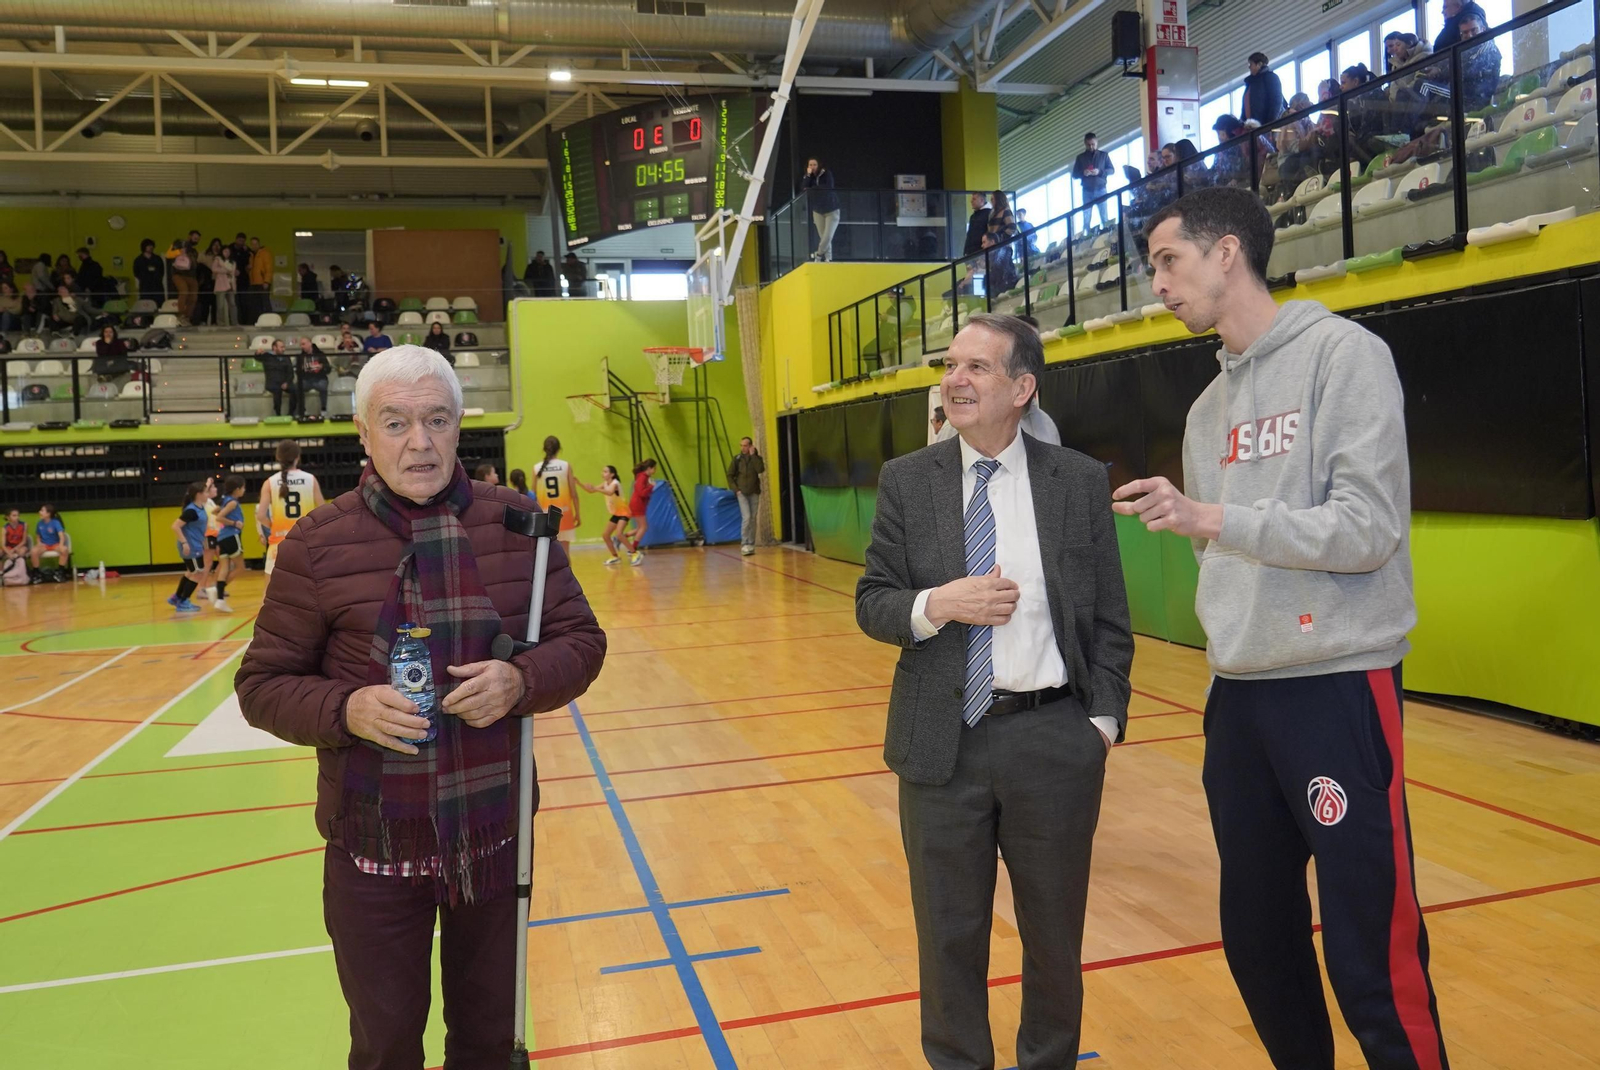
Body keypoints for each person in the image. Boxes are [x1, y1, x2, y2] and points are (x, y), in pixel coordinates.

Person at [1118, 186, 1448, 1070]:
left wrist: (1215, 517)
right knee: (1258, 940)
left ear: (1227, 252)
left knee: (1369, 948)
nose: (1158, 284)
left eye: (1168, 261)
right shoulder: (1204, 412)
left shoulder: (1345, 356)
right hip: (1239, 699)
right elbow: (1216, 559)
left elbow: (1367, 529)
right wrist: (1218, 543)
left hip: (1337, 685)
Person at [235, 344, 607, 1070]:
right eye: (396, 422)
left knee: (487, 1041)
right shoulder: (317, 544)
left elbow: (581, 641)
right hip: (373, 844)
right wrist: (347, 709)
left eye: (437, 420)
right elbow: (263, 685)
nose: (420, 442)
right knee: (385, 1048)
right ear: (363, 432)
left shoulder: (517, 524)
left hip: (494, 839)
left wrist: (519, 681)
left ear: (459, 425)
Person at [855, 311, 1133, 1070]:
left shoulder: (1077, 480)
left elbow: (1111, 618)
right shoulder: (908, 480)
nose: (955, 380)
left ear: (1021, 388)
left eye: (976, 367)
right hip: (939, 747)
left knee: (1054, 937)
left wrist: (1101, 724)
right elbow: (873, 602)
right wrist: (937, 604)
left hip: (1054, 741)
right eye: (950, 366)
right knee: (948, 937)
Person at [258, 438, 325, 575]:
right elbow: (323, 511)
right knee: (306, 586)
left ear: (278, 458)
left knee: (271, 588)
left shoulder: (270, 482)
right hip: (306, 543)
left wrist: (273, 526)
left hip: (279, 543)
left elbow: (260, 516)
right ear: (298, 457)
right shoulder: (310, 479)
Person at [168, 483, 210, 613]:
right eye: (206, 492)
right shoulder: (191, 511)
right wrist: (184, 543)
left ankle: (177, 597)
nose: (208, 494)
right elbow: (175, 526)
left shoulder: (199, 507)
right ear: (199, 494)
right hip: (191, 546)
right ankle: (183, 601)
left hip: (196, 544)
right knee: (198, 574)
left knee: (191, 572)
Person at [577, 465, 632, 566]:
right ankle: (615, 556)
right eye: (603, 471)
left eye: (605, 472)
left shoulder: (615, 483)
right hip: (616, 514)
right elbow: (591, 491)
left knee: (619, 534)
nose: (603, 473)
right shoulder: (605, 483)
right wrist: (578, 483)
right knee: (606, 535)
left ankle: (634, 553)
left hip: (624, 512)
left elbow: (610, 492)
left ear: (612, 474)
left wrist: (596, 488)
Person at [532, 437, 581, 546]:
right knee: (565, 552)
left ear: (544, 449)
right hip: (564, 513)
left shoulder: (536, 468)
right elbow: (574, 493)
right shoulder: (566, 466)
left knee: (546, 551)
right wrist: (577, 514)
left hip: (545, 516)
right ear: (559, 449)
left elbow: (532, 495)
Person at [210, 475, 246, 613]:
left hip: (222, 538)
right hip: (232, 536)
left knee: (224, 567)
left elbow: (214, 511)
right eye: (243, 487)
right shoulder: (232, 503)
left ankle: (219, 599)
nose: (244, 490)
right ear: (237, 489)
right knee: (240, 567)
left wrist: (224, 512)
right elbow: (219, 517)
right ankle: (218, 590)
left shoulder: (225, 500)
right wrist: (234, 523)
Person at [727, 436, 764, 556]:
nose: (743, 448)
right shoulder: (737, 459)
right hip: (742, 492)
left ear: (750, 446)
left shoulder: (757, 458)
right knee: (746, 517)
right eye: (741, 445)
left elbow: (760, 469)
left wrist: (753, 456)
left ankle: (751, 544)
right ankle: (744, 543)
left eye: (745, 445)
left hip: (754, 492)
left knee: (753, 518)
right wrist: (736, 489)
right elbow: (730, 475)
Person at [802, 157, 841, 263]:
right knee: (823, 236)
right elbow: (804, 188)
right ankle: (828, 258)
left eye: (814, 164)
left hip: (832, 209)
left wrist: (812, 189)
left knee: (828, 236)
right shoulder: (808, 177)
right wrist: (808, 175)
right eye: (810, 165)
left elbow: (828, 186)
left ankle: (818, 255)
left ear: (818, 165)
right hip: (818, 210)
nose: (812, 167)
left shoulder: (826, 173)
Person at [1072, 133, 1115, 227]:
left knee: (1104, 216)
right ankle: (1087, 234)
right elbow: (1074, 175)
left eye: (1093, 144)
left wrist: (1099, 172)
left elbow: (1112, 170)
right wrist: (1083, 173)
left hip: (1101, 189)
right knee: (1086, 219)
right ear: (1085, 144)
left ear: (1096, 142)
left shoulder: (1104, 155)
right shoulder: (1080, 158)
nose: (1091, 147)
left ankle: (1107, 231)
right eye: (1088, 145)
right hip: (1087, 191)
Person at [1241, 52, 1287, 125]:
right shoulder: (1251, 84)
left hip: (1265, 125)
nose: (1249, 67)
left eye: (1251, 64)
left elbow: (1276, 101)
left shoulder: (1270, 77)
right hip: (1253, 127)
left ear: (1259, 64)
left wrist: (1270, 124)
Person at [625, 459, 656, 565]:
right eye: (654, 468)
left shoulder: (643, 477)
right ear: (649, 468)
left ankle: (622, 538)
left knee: (640, 528)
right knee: (643, 527)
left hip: (638, 503)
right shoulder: (642, 477)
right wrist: (651, 486)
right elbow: (641, 493)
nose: (655, 471)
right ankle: (632, 549)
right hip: (637, 503)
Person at [29, 504, 68, 581]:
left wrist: (61, 545)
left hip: (55, 544)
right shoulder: (39, 523)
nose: (40, 512)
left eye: (42, 510)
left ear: (48, 514)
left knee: (64, 550)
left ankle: (60, 572)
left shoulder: (56, 523)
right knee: (33, 551)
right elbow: (38, 536)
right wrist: (39, 543)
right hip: (44, 545)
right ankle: (37, 573)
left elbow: (61, 535)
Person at [259, 338, 297, 417]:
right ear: (274, 347)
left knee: (295, 390)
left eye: (284, 347)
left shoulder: (286, 358)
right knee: (277, 390)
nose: (283, 349)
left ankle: (291, 413)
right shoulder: (267, 356)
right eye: (281, 347)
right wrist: (257, 353)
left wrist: (287, 382)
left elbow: (290, 372)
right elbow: (257, 357)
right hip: (273, 382)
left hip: (285, 382)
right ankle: (278, 414)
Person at [166, 236, 198, 325]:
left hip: (191, 275)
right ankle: (181, 315)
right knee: (184, 291)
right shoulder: (175, 251)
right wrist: (178, 252)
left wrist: (187, 255)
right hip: (178, 274)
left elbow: (194, 264)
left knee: (193, 297)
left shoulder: (193, 252)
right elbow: (168, 255)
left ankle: (187, 316)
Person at [298, 336, 331, 417]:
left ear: (310, 343)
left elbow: (328, 369)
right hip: (306, 379)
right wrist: (302, 369)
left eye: (303, 344)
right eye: (301, 345)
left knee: (323, 386)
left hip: (320, 378)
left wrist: (322, 367)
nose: (302, 346)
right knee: (298, 387)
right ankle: (302, 410)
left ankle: (323, 409)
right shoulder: (300, 357)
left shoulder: (320, 354)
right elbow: (297, 372)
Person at [248, 236, 274, 325]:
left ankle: (270, 321)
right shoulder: (251, 255)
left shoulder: (265, 253)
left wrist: (266, 281)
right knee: (256, 304)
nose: (254, 246)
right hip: (254, 283)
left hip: (262, 282)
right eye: (252, 244)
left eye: (255, 244)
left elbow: (269, 268)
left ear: (259, 244)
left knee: (265, 303)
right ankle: (258, 321)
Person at [132, 239, 166, 307]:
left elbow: (162, 271)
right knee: (146, 306)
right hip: (145, 287)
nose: (151, 247)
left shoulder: (157, 259)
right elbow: (136, 273)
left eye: (152, 245)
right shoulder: (138, 260)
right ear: (144, 247)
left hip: (157, 286)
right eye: (148, 245)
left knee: (159, 305)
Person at [212, 245, 238, 327]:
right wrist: (225, 271)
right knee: (220, 305)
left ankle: (234, 322)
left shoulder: (232, 262)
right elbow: (214, 269)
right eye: (225, 251)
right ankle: (221, 322)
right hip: (221, 284)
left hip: (231, 284)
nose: (227, 253)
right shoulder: (218, 259)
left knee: (232, 304)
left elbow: (233, 272)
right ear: (222, 252)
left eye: (228, 252)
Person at [3, 507, 29, 583]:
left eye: (17, 515)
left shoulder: (24, 525)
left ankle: (21, 574)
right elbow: (3, 545)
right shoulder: (5, 528)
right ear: (8, 517)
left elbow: (24, 541)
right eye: (14, 515)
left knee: (22, 552)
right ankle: (2, 573)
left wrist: (14, 550)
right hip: (9, 546)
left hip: (20, 545)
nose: (16, 517)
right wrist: (9, 552)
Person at [963, 192, 992, 257]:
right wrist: (966, 251)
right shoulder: (973, 216)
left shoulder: (989, 214)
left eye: (974, 199)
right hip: (971, 252)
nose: (971, 201)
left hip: (981, 252)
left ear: (981, 200)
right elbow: (970, 235)